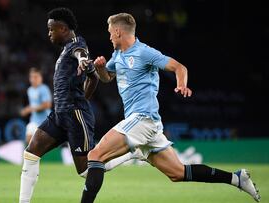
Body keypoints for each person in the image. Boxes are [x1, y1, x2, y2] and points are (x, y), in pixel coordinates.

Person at [80, 13, 260, 203]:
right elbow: (107, 77)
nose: (108, 37)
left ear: (117, 31)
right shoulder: (118, 55)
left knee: (95, 155)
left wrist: (181, 84)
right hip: (147, 125)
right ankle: (236, 178)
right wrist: (100, 68)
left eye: (109, 32)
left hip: (143, 119)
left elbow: (179, 67)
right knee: (178, 173)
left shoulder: (144, 52)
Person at [19, 8, 139, 203]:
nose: (49, 33)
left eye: (51, 29)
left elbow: (81, 54)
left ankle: (133, 152)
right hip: (59, 115)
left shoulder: (76, 45)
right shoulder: (65, 49)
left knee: (86, 170)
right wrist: (83, 96)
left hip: (75, 116)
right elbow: (92, 77)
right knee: (31, 152)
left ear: (63, 28)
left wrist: (83, 60)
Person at [20, 68, 52, 144]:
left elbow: (47, 105)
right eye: (32, 77)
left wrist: (31, 109)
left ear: (41, 78)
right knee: (29, 140)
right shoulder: (30, 90)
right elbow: (33, 105)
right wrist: (27, 110)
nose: (34, 79)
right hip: (34, 120)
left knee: (44, 145)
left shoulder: (44, 89)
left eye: (36, 77)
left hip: (46, 121)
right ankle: (31, 155)